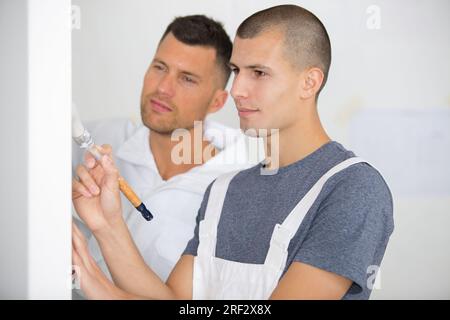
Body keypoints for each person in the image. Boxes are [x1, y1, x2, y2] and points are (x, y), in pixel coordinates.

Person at [72, 5, 394, 300]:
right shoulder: (225, 190)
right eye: (237, 71)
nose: (237, 90)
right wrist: (106, 225)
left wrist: (99, 287)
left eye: (259, 73)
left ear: (309, 83)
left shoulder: (352, 188)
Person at [72, 14, 262, 285]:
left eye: (187, 79)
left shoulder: (243, 183)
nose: (163, 88)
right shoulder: (101, 140)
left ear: (217, 102)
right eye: (160, 67)